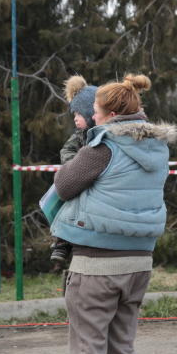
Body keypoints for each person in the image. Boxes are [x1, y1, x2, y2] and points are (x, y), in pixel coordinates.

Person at [50, 73, 177, 354]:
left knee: (89, 345)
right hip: (140, 260)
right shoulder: (157, 149)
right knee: (122, 343)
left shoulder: (102, 148)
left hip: (96, 263)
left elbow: (64, 185)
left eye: (95, 110)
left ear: (106, 113)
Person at [49, 75, 98, 265]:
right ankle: (61, 241)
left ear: (89, 114)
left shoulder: (102, 136)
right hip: (79, 175)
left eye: (78, 114)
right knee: (63, 198)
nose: (75, 119)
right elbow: (67, 150)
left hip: (95, 181)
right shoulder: (79, 135)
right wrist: (74, 165)